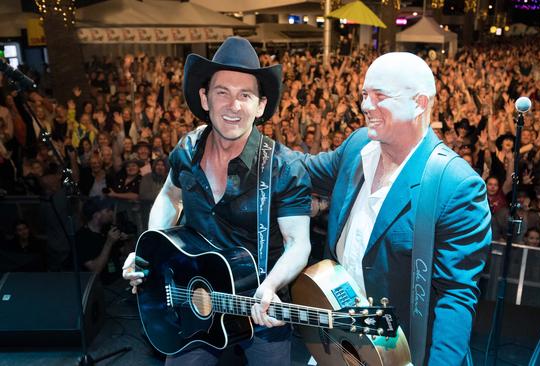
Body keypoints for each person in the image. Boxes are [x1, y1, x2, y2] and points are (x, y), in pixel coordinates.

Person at [122, 37, 312, 366]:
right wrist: (149, 251)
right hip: (193, 299)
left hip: (258, 307)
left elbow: (299, 244)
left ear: (261, 105)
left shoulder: (284, 167)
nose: (233, 105)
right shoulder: (187, 149)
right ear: (205, 98)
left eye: (245, 95)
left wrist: (271, 286)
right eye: (222, 92)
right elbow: (169, 196)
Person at [298, 52, 492, 365]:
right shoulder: (358, 145)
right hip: (340, 345)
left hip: (402, 356)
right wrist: (249, 145)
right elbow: (301, 170)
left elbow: (454, 298)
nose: (365, 106)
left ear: (420, 103)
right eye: (364, 95)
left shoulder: (455, 185)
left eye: (380, 96)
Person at [75, 197, 127, 284]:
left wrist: (127, 239)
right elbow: (96, 270)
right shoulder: (81, 237)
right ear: (97, 215)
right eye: (108, 210)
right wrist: (109, 242)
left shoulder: (108, 229)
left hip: (119, 280)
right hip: (99, 287)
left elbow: (127, 253)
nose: (112, 213)